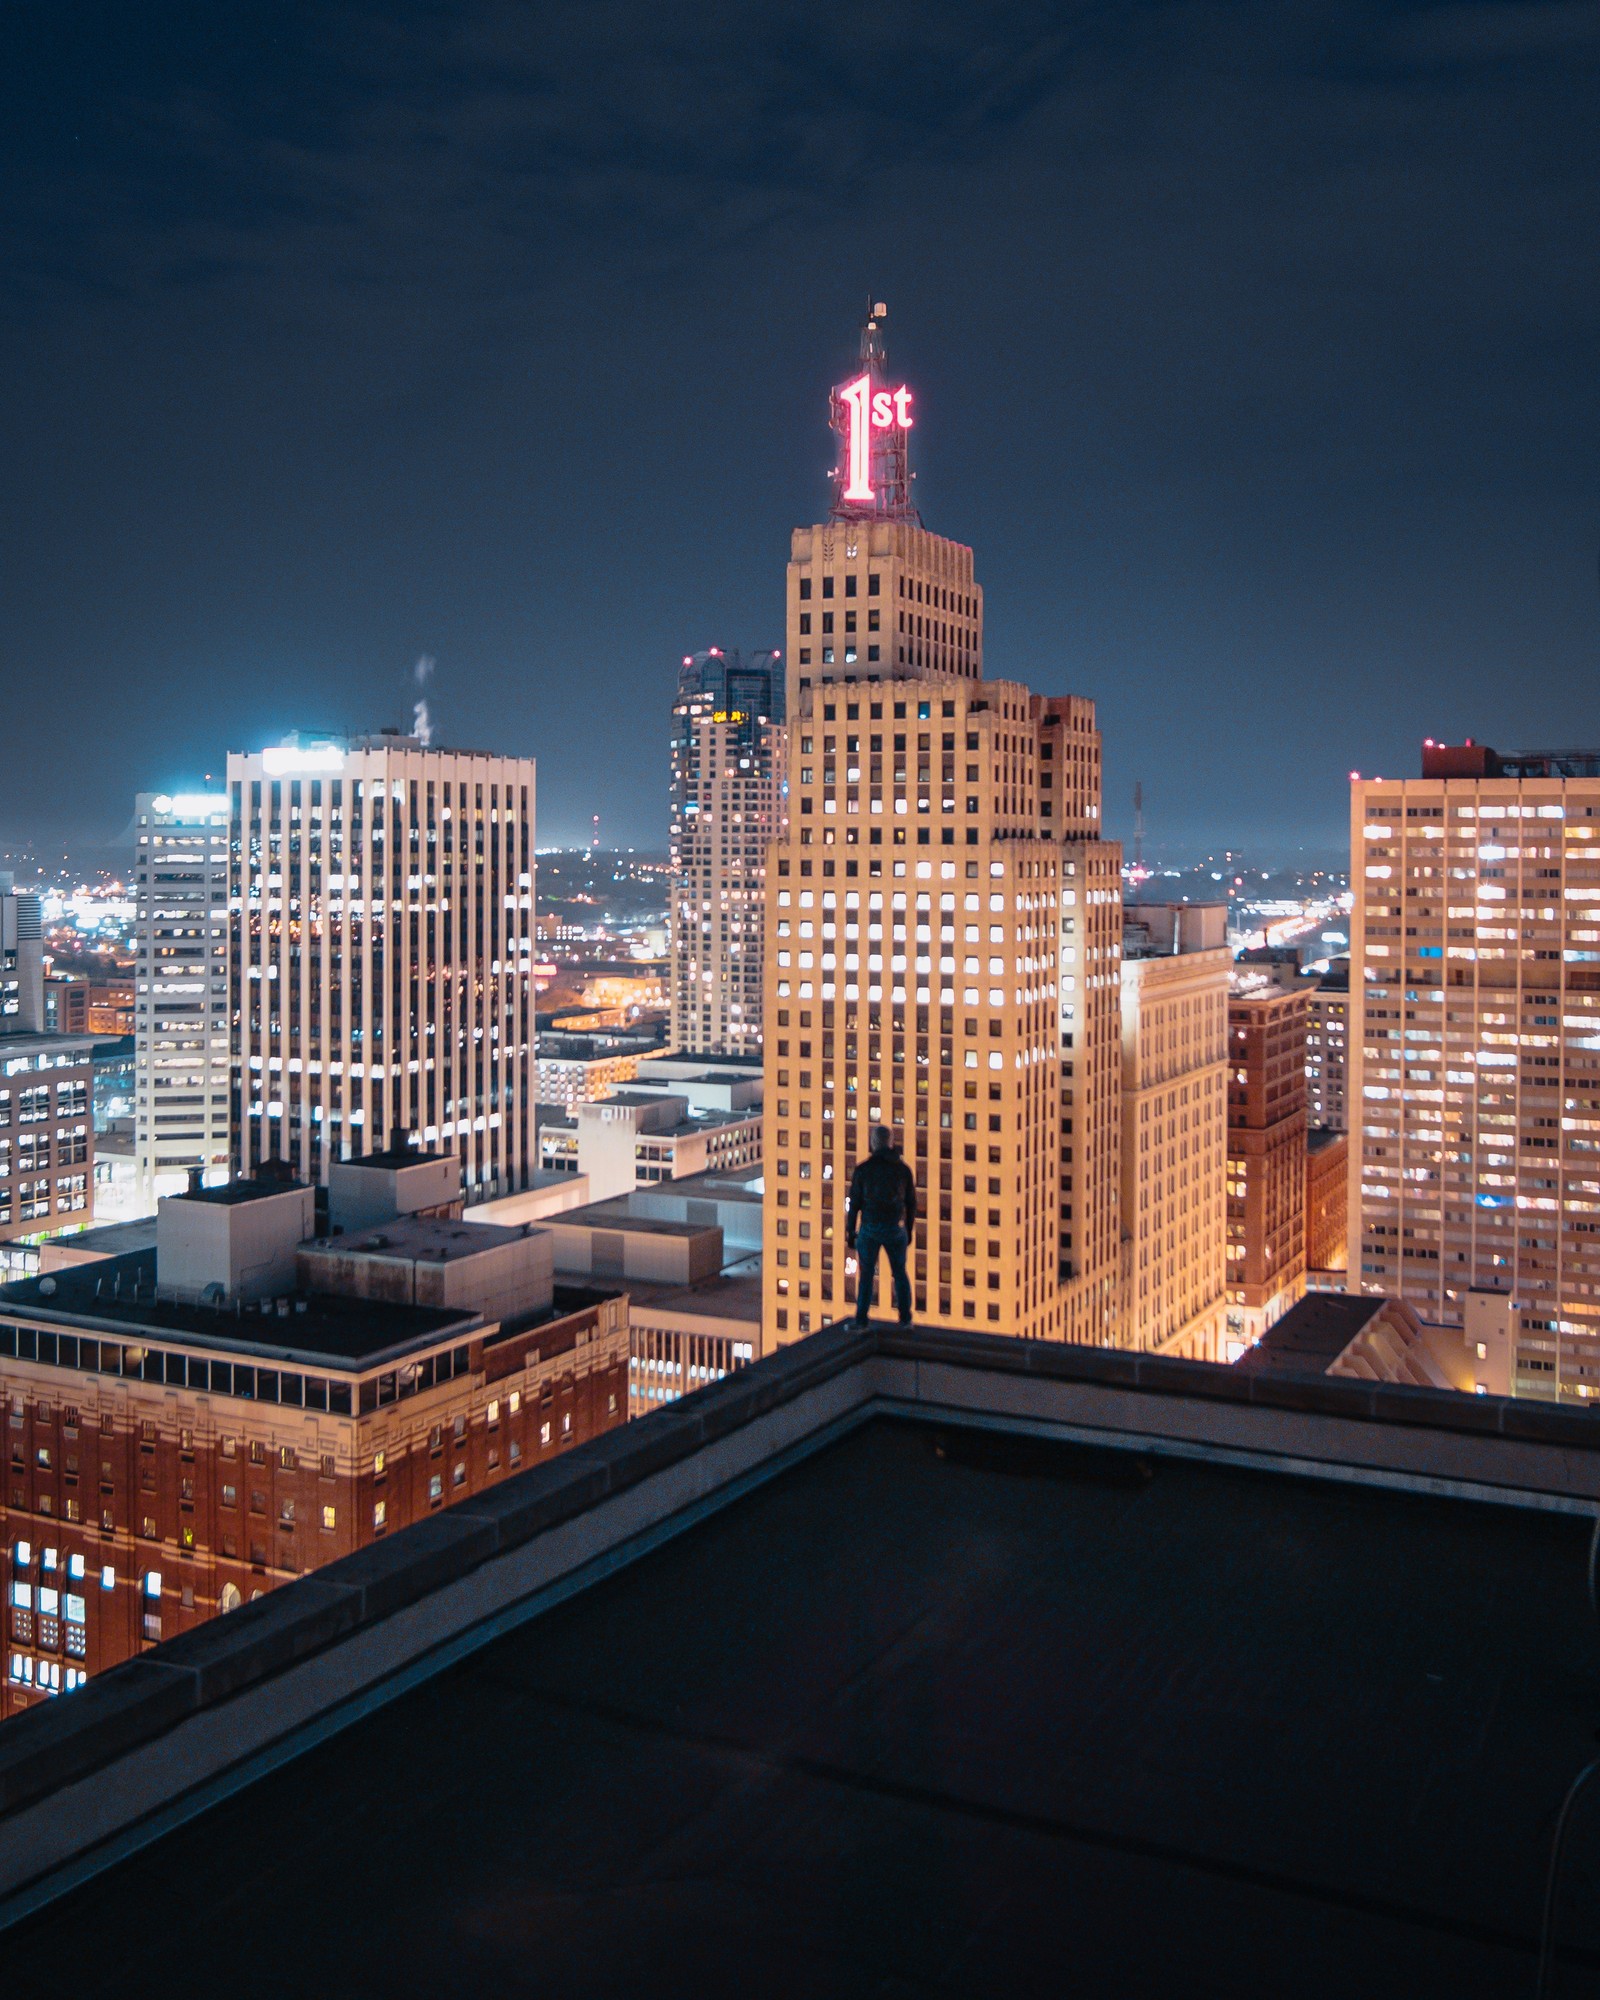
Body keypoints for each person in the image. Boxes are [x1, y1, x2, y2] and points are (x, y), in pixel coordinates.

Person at [846, 1126, 917, 1326]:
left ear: (873, 1144)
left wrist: (851, 1232)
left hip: (870, 1227)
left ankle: (861, 1320)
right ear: (890, 1143)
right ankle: (905, 1319)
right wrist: (908, 1230)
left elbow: (855, 1205)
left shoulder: (863, 1170)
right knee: (900, 1273)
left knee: (866, 1276)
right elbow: (911, 1203)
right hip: (895, 1228)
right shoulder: (903, 1170)